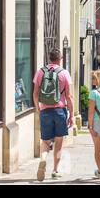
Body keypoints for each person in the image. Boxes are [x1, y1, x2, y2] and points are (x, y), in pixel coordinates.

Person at [33, 49, 73, 182]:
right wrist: (71, 114)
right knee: (59, 142)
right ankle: (55, 170)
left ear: (49, 58)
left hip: (45, 110)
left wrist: (39, 109)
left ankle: (43, 160)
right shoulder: (64, 73)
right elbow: (69, 96)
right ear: (60, 59)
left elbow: (35, 93)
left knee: (45, 141)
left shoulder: (40, 72)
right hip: (60, 110)